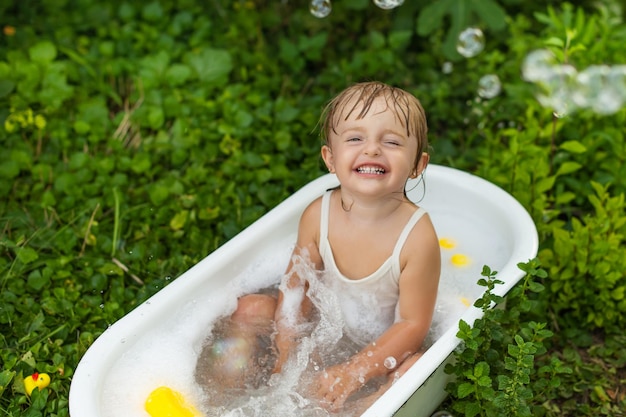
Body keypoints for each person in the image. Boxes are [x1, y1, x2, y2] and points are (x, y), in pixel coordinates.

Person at [196, 81, 441, 412]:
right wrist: (287, 348)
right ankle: (218, 398)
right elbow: (298, 285)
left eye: (392, 141)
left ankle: (362, 408)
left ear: (417, 165)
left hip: (386, 347)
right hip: (327, 326)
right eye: (355, 138)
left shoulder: (417, 237)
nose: (371, 149)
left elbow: (412, 325)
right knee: (251, 308)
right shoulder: (318, 215)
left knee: (416, 368)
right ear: (330, 158)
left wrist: (355, 371)